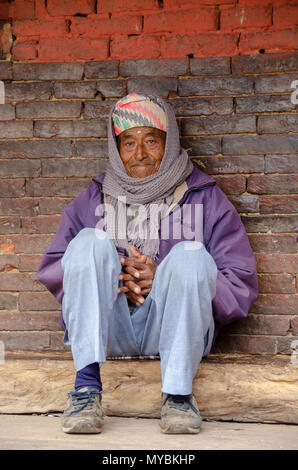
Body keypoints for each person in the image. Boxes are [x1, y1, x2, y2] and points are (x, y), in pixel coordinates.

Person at [37, 93, 258, 435]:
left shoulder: (205, 196)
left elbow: (240, 282)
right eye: (128, 142)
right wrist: (111, 275)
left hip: (177, 330)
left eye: (151, 140)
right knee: (87, 243)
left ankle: (179, 397)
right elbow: (56, 266)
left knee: (190, 255)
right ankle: (85, 389)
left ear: (169, 143)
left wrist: (165, 278)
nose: (139, 154)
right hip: (109, 329)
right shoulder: (94, 197)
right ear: (116, 147)